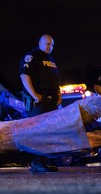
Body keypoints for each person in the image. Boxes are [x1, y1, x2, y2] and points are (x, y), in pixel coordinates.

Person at [18, 34, 62, 172]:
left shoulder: (51, 60)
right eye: (48, 44)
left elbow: (55, 80)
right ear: (40, 43)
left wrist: (58, 95)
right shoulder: (32, 56)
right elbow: (25, 76)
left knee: (49, 132)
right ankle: (36, 162)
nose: (50, 47)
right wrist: (35, 95)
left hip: (50, 101)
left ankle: (45, 160)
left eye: (52, 44)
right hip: (38, 101)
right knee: (38, 131)